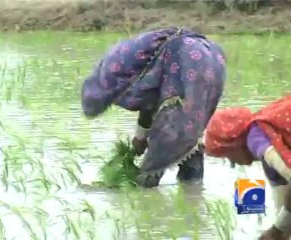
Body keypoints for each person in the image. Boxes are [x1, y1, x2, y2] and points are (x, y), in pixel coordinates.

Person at [81, 27, 227, 188]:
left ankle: (147, 188)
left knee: (166, 139)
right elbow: (150, 100)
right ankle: (192, 193)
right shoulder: (145, 54)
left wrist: (140, 139)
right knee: (190, 130)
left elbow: (148, 103)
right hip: (212, 57)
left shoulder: (129, 69)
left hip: (186, 61)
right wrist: (141, 137)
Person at [203, 95, 291, 240]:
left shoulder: (256, 138)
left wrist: (277, 230)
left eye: (227, 156)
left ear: (234, 144)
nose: (232, 163)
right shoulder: (270, 156)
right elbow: (283, 214)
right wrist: (278, 231)